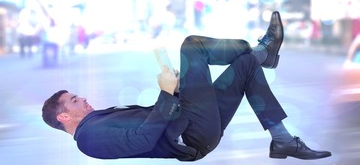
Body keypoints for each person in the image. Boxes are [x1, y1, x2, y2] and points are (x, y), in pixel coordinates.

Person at [42, 11, 332, 161]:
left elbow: (151, 123)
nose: (84, 100)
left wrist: (176, 90)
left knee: (246, 66)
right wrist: (167, 93)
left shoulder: (96, 121)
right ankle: (263, 52)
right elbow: (143, 139)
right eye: (75, 100)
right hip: (192, 132)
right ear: (63, 117)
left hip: (192, 123)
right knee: (192, 46)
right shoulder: (89, 140)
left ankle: (282, 140)